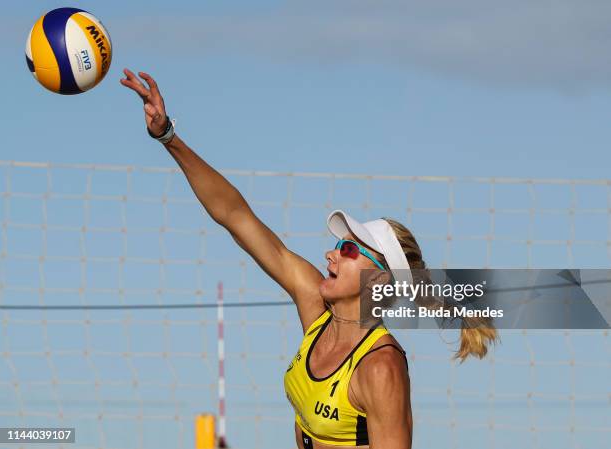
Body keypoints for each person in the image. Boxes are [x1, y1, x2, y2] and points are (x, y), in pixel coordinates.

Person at [121, 69, 497, 449]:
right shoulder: (315, 310)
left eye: (349, 250)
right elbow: (236, 217)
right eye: (339, 245)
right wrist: (168, 136)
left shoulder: (380, 367)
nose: (331, 254)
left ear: (380, 280)